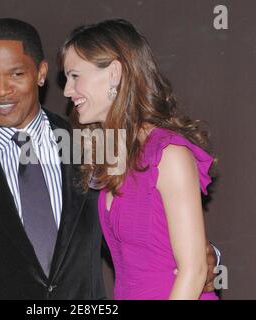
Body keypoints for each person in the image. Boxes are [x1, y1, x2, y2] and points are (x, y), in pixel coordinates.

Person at [0, 18, 218, 300]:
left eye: (15, 74)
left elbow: (146, 229)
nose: (2, 91)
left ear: (40, 74)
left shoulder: (93, 147)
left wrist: (204, 257)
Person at [61, 18, 219, 299]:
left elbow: (193, 271)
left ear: (113, 73)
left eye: (75, 76)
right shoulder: (106, 154)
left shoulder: (168, 154)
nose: (67, 91)